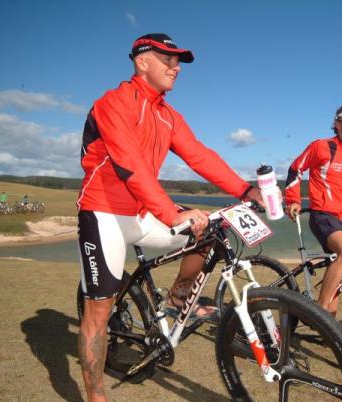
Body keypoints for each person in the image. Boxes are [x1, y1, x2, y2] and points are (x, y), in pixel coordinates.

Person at [76, 33, 263, 402]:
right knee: (98, 313)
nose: (176, 67)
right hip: (104, 213)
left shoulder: (168, 115)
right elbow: (129, 164)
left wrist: (245, 190)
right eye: (168, 59)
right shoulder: (113, 102)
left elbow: (199, 155)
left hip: (143, 212)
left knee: (209, 232)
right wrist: (171, 212)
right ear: (142, 61)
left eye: (178, 62)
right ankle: (97, 398)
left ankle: (178, 299)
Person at [284, 102, 342, 332]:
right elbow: (296, 169)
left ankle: (330, 326)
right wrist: (293, 200)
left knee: (337, 267)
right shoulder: (321, 146)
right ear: (337, 122)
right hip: (323, 216)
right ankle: (320, 315)